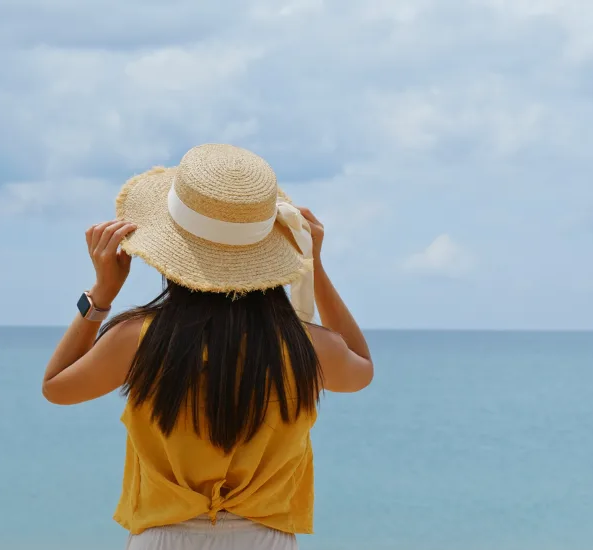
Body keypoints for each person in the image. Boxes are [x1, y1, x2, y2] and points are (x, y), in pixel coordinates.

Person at [40, 143, 374, 550]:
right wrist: (313, 265)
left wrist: (102, 294)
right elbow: (361, 368)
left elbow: (56, 387)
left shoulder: (138, 340)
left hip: (163, 538)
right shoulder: (308, 346)